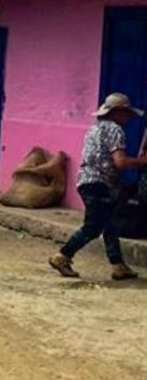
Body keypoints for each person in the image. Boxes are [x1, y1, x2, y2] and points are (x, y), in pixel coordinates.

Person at [49, 93, 147, 280]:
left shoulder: (94, 129)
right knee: (93, 227)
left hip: (87, 181)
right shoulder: (116, 131)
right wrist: (142, 161)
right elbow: (120, 162)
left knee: (109, 225)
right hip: (99, 184)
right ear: (117, 113)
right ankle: (63, 255)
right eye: (126, 114)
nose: (127, 118)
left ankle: (118, 265)